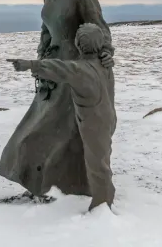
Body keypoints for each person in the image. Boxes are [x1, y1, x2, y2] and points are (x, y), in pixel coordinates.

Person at [0, 0, 114, 201]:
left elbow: (98, 26)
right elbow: (47, 28)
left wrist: (105, 52)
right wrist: (41, 54)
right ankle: (52, 184)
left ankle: (70, 187)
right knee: (40, 125)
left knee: (59, 130)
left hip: (75, 66)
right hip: (52, 68)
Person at [7, 23, 116, 211]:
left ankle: (102, 207)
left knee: (97, 164)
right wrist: (107, 53)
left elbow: (58, 68)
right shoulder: (103, 64)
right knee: (101, 159)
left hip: (93, 124)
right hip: (106, 118)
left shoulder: (80, 70)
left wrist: (29, 65)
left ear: (79, 46)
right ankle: (103, 200)